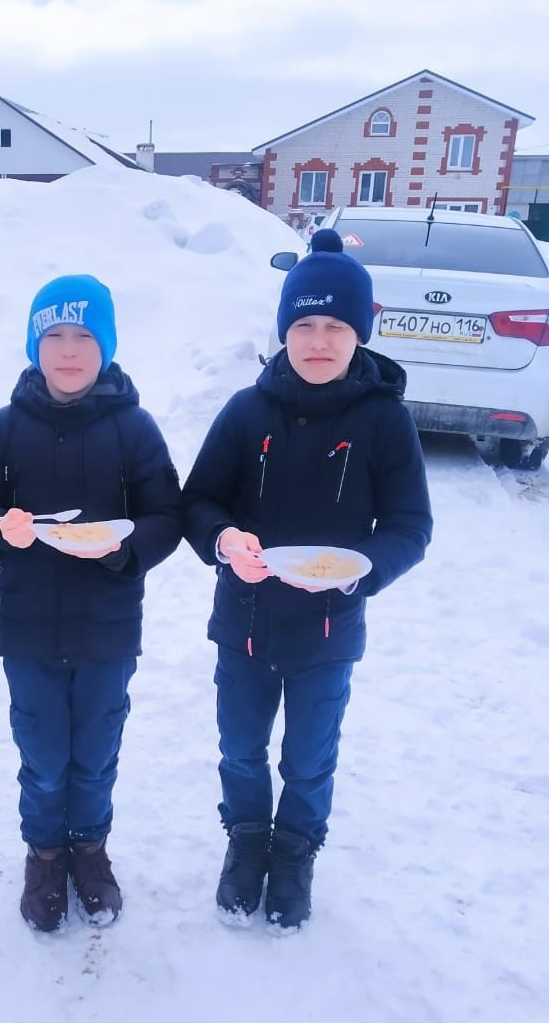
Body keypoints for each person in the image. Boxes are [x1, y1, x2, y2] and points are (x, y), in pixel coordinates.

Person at [182, 230, 433, 930]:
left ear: (358, 334)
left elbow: (411, 525)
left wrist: (365, 571)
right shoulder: (246, 410)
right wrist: (224, 538)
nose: (318, 340)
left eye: (334, 326)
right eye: (303, 324)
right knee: (240, 748)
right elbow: (198, 501)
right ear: (285, 330)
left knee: (309, 757)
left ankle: (294, 850)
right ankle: (246, 841)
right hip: (245, 621)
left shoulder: (385, 420)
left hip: (330, 628)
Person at [0, 274, 182, 933]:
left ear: (105, 346)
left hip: (108, 628)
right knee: (45, 757)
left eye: (84, 336)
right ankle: (45, 854)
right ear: (35, 345)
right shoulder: (5, 428)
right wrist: (0, 531)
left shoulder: (135, 429)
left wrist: (118, 548)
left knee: (96, 753)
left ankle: (91, 852)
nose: (69, 351)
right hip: (28, 630)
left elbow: (167, 515)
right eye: (54, 336)